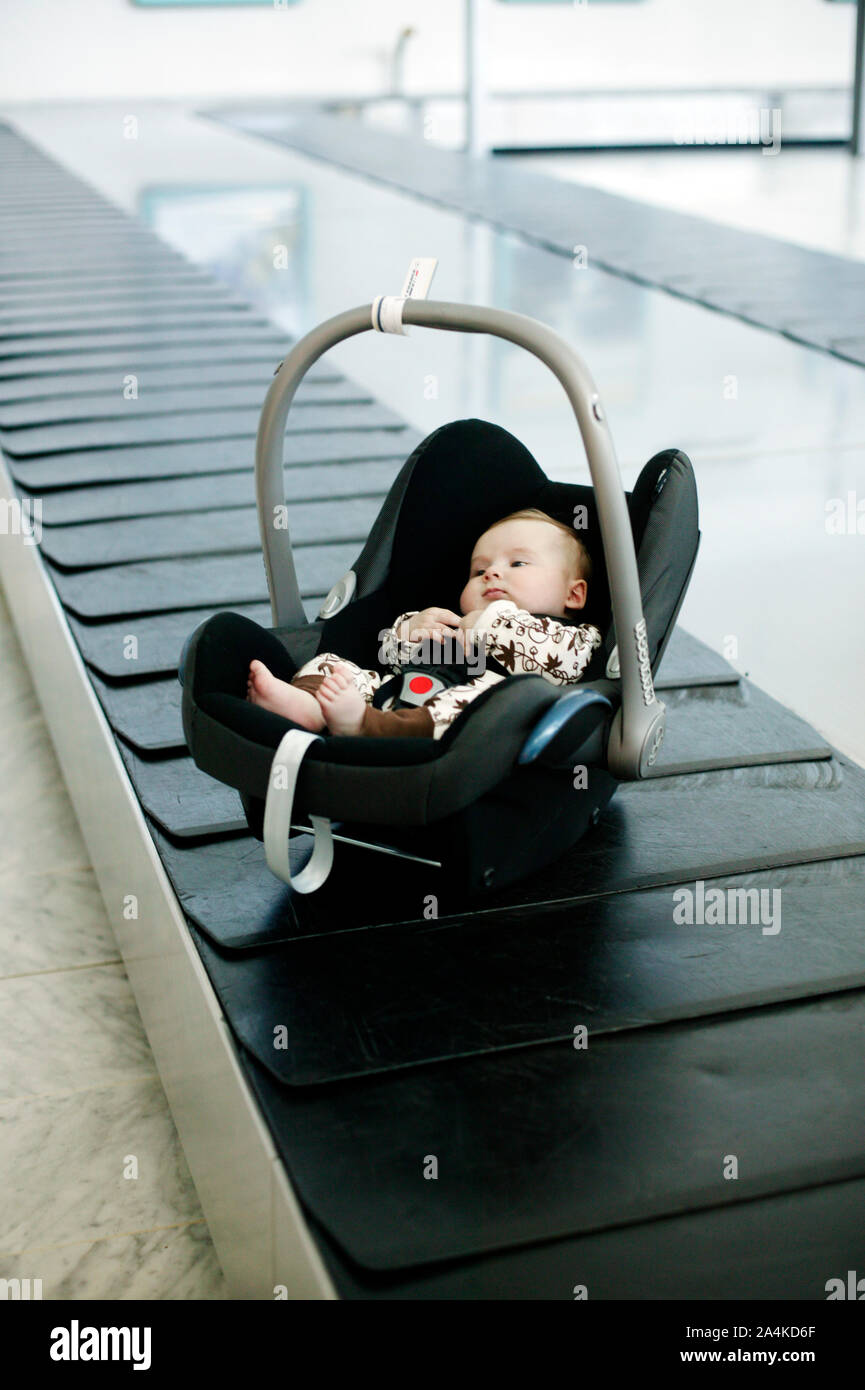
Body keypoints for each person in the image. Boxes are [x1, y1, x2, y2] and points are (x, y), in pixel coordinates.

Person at [246, 508, 602, 739]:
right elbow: (390, 658)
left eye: (518, 564)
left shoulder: (573, 638)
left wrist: (491, 621)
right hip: (398, 690)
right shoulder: (455, 621)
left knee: (470, 707)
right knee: (338, 667)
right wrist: (410, 630)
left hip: (476, 715)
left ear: (574, 595)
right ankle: (308, 705)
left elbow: (557, 667)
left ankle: (363, 728)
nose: (492, 572)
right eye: (479, 570)